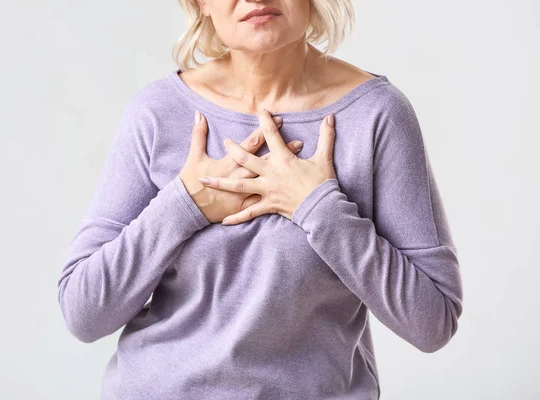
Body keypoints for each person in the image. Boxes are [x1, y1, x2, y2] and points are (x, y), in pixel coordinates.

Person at [57, 1, 464, 399]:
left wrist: (319, 207)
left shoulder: (377, 114)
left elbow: (433, 322)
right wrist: (184, 206)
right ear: (199, 4)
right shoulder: (157, 112)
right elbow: (84, 312)